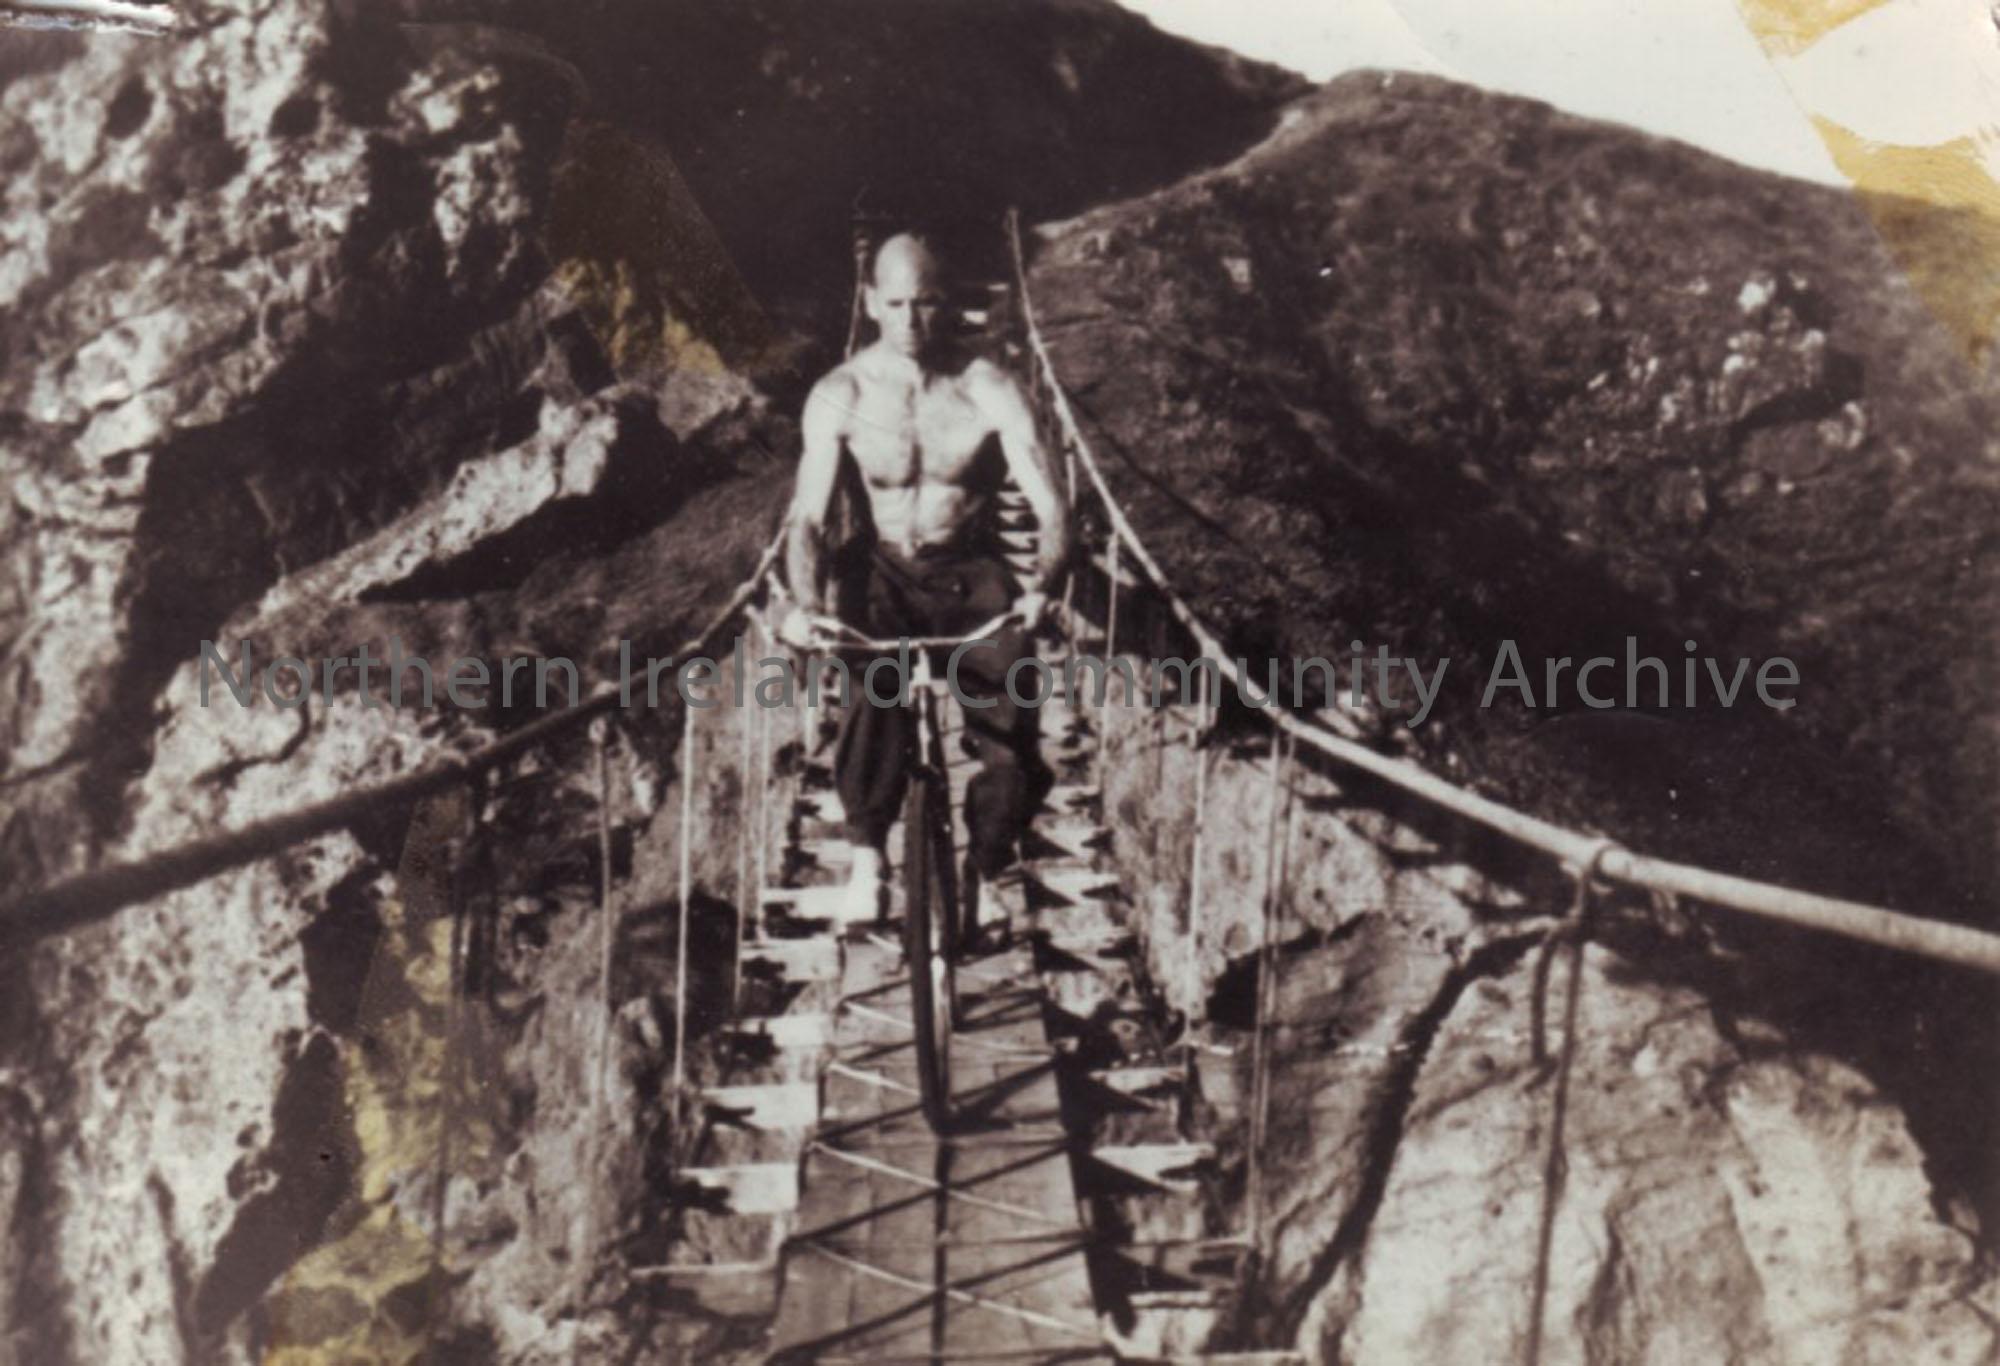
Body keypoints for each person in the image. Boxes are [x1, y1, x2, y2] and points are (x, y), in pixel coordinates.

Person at [778, 232, 1072, 923]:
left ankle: (988, 864)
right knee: (869, 694)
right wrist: (804, 603)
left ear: (951, 306)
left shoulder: (991, 388)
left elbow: (1052, 505)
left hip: (970, 573)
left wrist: (1044, 587)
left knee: (1012, 738)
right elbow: (809, 521)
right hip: (878, 569)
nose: (913, 321)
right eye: (899, 303)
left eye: (929, 303)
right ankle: (868, 856)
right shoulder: (840, 393)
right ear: (871, 302)